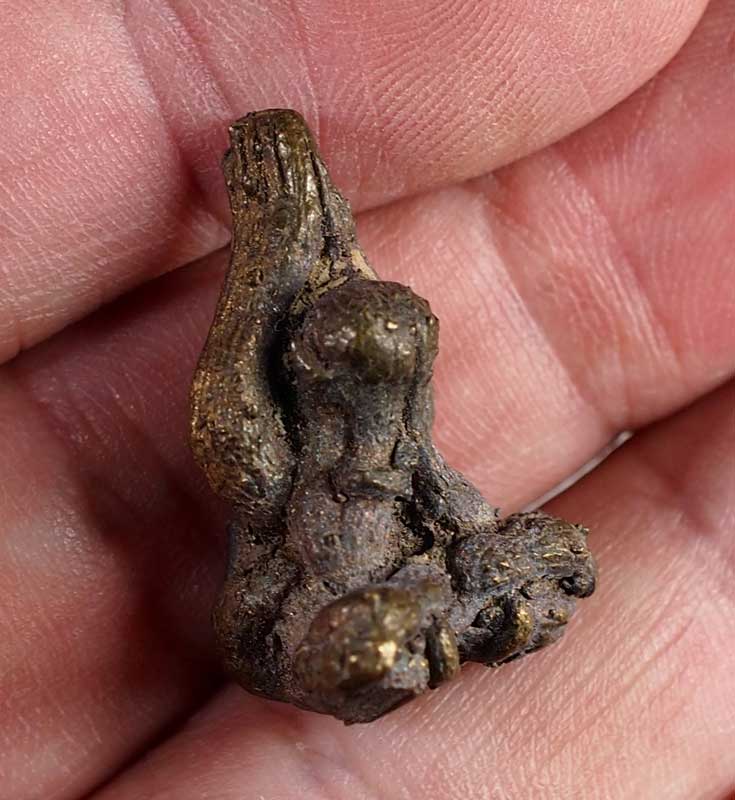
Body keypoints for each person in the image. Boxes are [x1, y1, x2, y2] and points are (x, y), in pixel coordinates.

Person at [0, 2, 732, 798]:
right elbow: (245, 363)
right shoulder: (274, 462)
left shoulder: (411, 472)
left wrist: (487, 583)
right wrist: (281, 216)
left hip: (349, 612)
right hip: (292, 620)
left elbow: (522, 555)